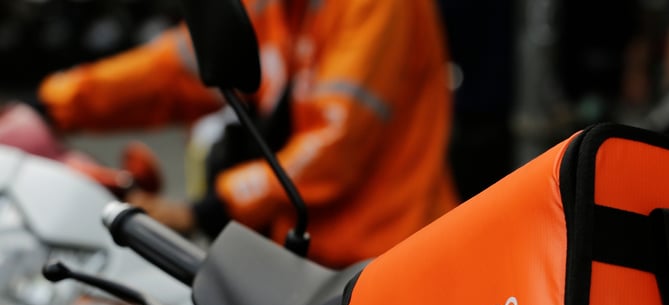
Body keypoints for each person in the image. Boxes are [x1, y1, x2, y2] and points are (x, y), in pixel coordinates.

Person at [34, 0, 458, 269]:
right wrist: (53, 105)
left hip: (390, 262)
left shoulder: (376, 7)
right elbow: (175, 67)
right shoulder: (280, 6)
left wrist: (205, 210)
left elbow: (335, 144)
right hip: (307, 261)